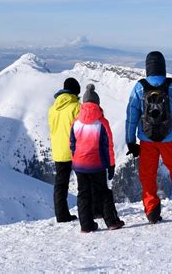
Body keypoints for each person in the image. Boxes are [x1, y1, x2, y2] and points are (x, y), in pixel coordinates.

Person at [125, 51, 172, 223]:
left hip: (147, 140)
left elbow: (131, 116)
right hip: (171, 139)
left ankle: (152, 211)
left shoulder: (139, 88)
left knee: (147, 175)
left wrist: (130, 141)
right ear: (163, 67)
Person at [70, 84, 125, 233]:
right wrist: (111, 165)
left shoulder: (76, 122)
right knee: (103, 192)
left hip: (79, 165)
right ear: (97, 104)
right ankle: (112, 221)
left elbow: (72, 144)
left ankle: (86, 225)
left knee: (83, 194)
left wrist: (75, 159)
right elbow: (109, 146)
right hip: (96, 164)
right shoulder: (102, 122)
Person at [48, 78, 81, 222]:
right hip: (75, 150)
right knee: (85, 183)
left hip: (58, 151)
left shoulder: (52, 108)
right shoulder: (76, 107)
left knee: (60, 185)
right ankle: (88, 211)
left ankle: (61, 215)